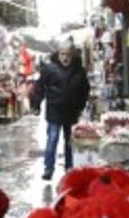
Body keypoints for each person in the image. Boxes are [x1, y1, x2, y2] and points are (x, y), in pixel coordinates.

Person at [31, 39, 90, 181]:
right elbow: (39, 87)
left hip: (72, 111)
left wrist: (80, 107)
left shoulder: (79, 71)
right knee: (52, 139)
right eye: (62, 54)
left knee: (70, 141)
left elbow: (84, 90)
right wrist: (36, 104)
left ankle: (69, 167)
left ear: (72, 55)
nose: (65, 57)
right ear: (58, 54)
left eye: (68, 54)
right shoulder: (49, 69)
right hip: (55, 110)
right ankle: (48, 169)